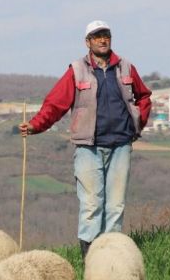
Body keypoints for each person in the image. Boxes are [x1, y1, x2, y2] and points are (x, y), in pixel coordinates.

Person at [19, 20, 152, 259]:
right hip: (88, 146)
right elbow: (55, 104)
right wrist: (35, 125)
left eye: (106, 35)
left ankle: (112, 255)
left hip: (121, 144)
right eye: (97, 36)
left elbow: (144, 97)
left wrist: (137, 121)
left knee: (116, 204)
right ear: (87, 42)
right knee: (91, 204)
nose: (103, 40)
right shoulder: (77, 70)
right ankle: (89, 257)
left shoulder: (126, 68)